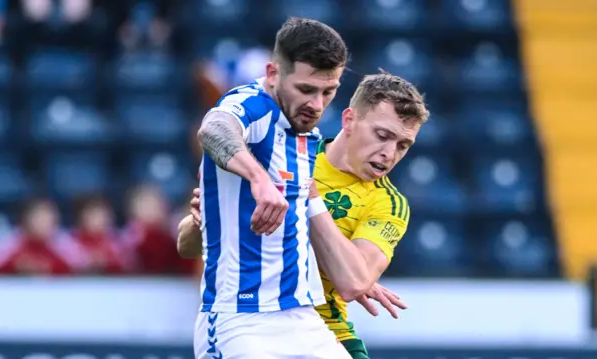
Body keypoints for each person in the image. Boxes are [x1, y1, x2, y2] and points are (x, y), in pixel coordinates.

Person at [181, 72, 430, 359]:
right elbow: (187, 248)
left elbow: (352, 281)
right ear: (349, 119)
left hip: (329, 331)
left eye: (403, 145)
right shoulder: (284, 153)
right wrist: (207, 218)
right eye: (383, 136)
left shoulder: (388, 203)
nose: (389, 153)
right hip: (256, 322)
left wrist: (306, 193)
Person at [193, 17, 351, 359]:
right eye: (306, 89)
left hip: (302, 317)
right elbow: (214, 128)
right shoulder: (254, 105)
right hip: (241, 319)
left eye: (329, 91)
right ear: (273, 73)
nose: (318, 104)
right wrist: (259, 178)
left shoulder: (305, 130)